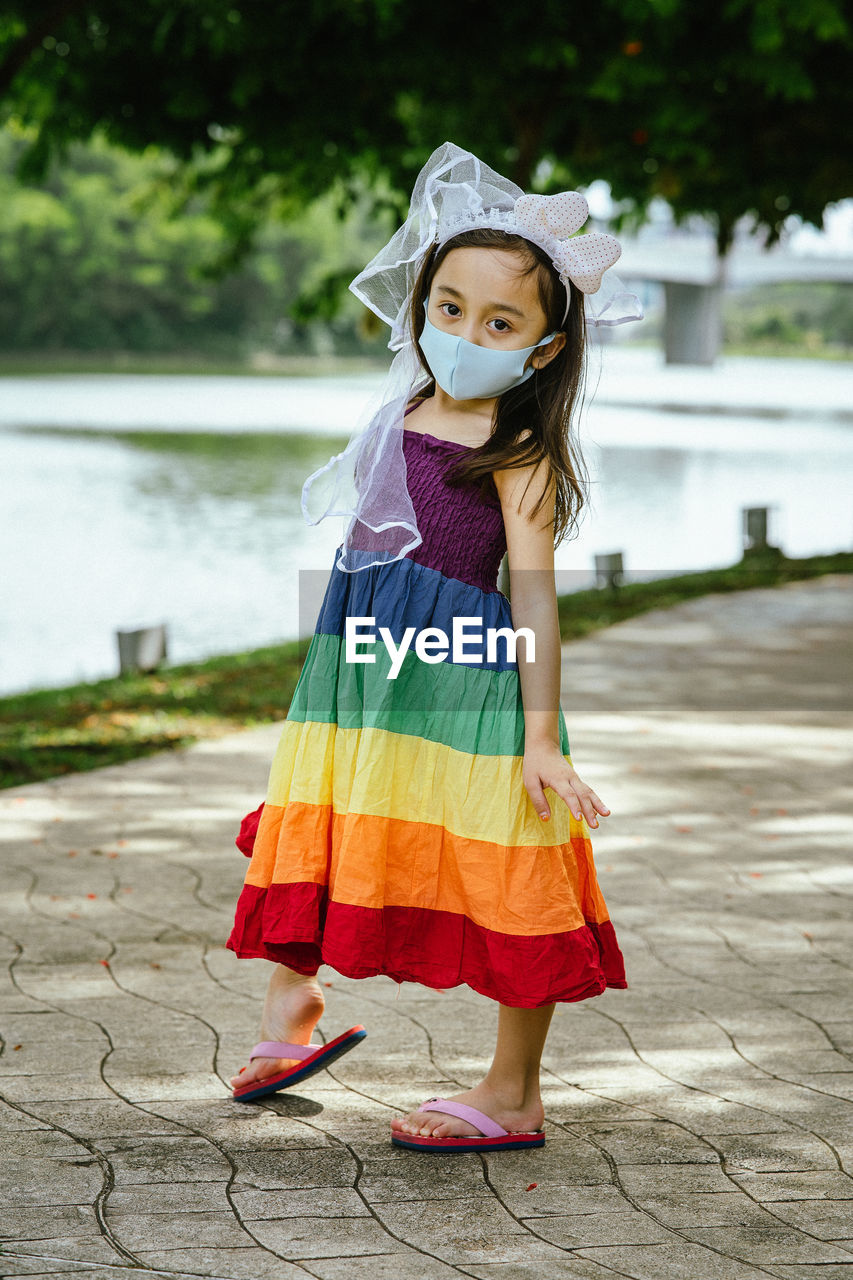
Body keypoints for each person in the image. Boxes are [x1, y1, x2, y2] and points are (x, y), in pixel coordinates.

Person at [224, 142, 642, 1152]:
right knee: (319, 822)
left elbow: (533, 596)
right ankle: (290, 1017)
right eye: (448, 307)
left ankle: (513, 1090)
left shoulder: (520, 448)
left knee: (508, 860)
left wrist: (541, 738)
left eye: (499, 322)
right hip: (363, 669)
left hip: (466, 678)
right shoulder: (402, 406)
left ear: (541, 349)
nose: (464, 332)